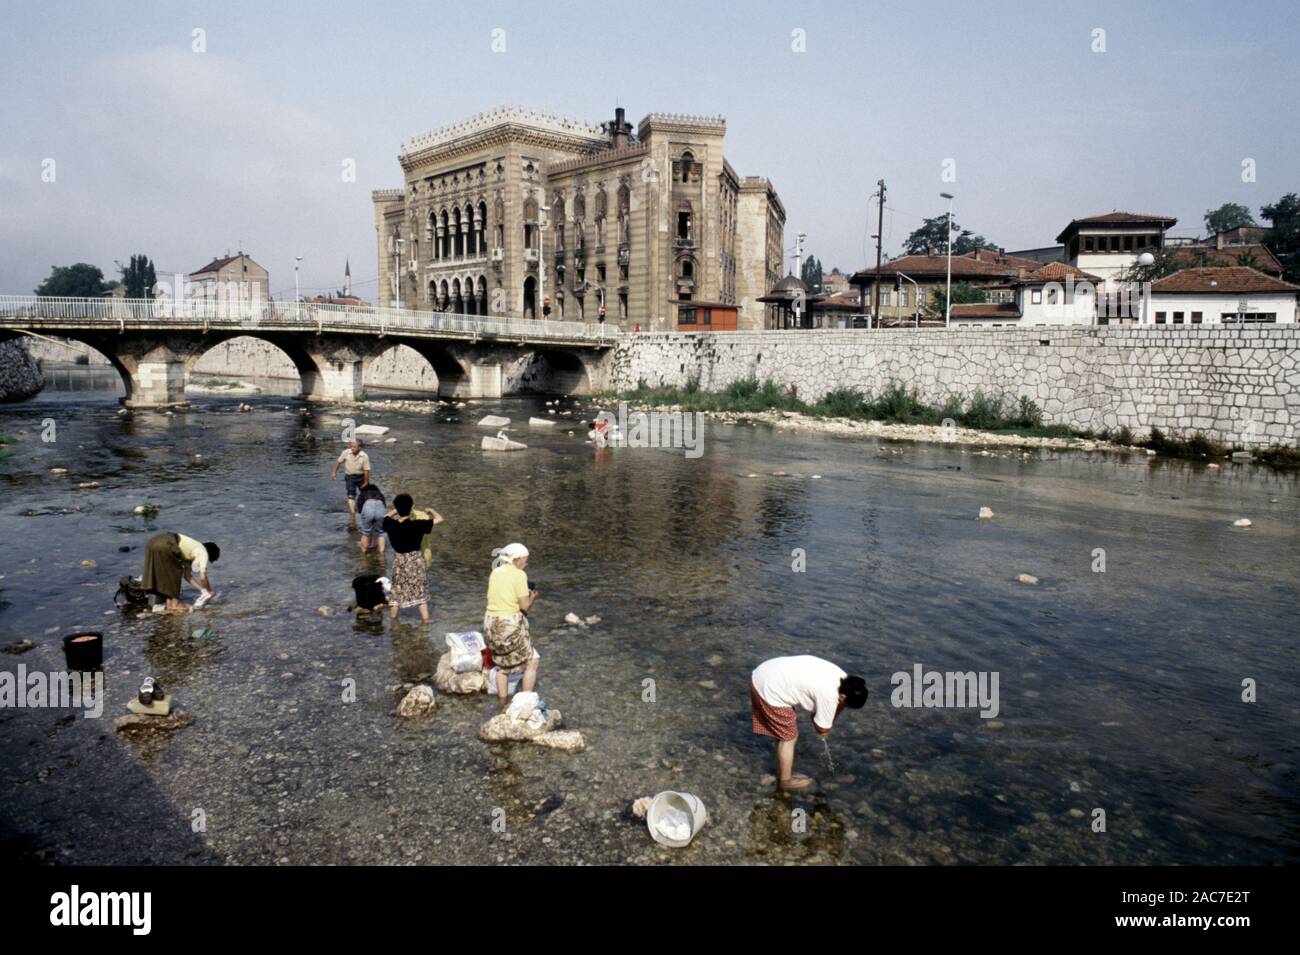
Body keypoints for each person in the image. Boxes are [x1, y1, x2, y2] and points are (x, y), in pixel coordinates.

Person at [750, 655, 868, 791]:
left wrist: (834, 711)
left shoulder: (844, 679)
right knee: (789, 737)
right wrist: (829, 720)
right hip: (768, 690)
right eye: (846, 705)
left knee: (783, 733)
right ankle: (785, 781)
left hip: (764, 672)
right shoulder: (829, 695)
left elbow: (826, 712)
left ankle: (782, 770)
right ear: (843, 698)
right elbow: (821, 728)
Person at [483, 543, 540, 702]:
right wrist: (532, 597)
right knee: (532, 660)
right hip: (508, 624)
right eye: (525, 560)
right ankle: (525, 702)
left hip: (490, 623)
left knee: (504, 665)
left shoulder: (495, 572)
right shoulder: (519, 575)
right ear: (517, 559)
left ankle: (502, 702)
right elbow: (524, 606)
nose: (526, 563)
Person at [381, 493, 442, 623]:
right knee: (420, 590)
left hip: (400, 560)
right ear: (411, 508)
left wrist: (395, 510)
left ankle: (393, 621)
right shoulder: (418, 525)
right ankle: (425, 621)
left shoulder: (390, 524)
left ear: (397, 508)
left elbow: (385, 516)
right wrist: (431, 511)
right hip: (415, 560)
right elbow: (440, 519)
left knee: (397, 591)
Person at [141, 532, 220, 613]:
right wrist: (209, 591)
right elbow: (203, 577)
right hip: (166, 543)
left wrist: (203, 591)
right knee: (176, 571)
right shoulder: (204, 552)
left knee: (166, 573)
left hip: (152, 542)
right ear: (210, 554)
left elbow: (187, 576)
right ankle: (175, 605)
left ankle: (169, 604)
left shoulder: (191, 551)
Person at [330, 439, 371, 515]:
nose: (352, 448)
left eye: (354, 447)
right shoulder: (346, 453)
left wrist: (366, 482)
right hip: (350, 477)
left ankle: (365, 509)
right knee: (351, 495)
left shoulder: (364, 456)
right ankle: (352, 513)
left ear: (359, 448)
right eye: (351, 446)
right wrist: (334, 473)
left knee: (366, 494)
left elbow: (366, 470)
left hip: (361, 477)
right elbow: (338, 462)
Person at [356, 483, 387, 554]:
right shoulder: (380, 494)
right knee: (381, 532)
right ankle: (381, 555)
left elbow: (360, 510)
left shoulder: (362, 494)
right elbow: (384, 506)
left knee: (365, 532)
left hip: (368, 506)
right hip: (380, 506)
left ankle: (363, 554)